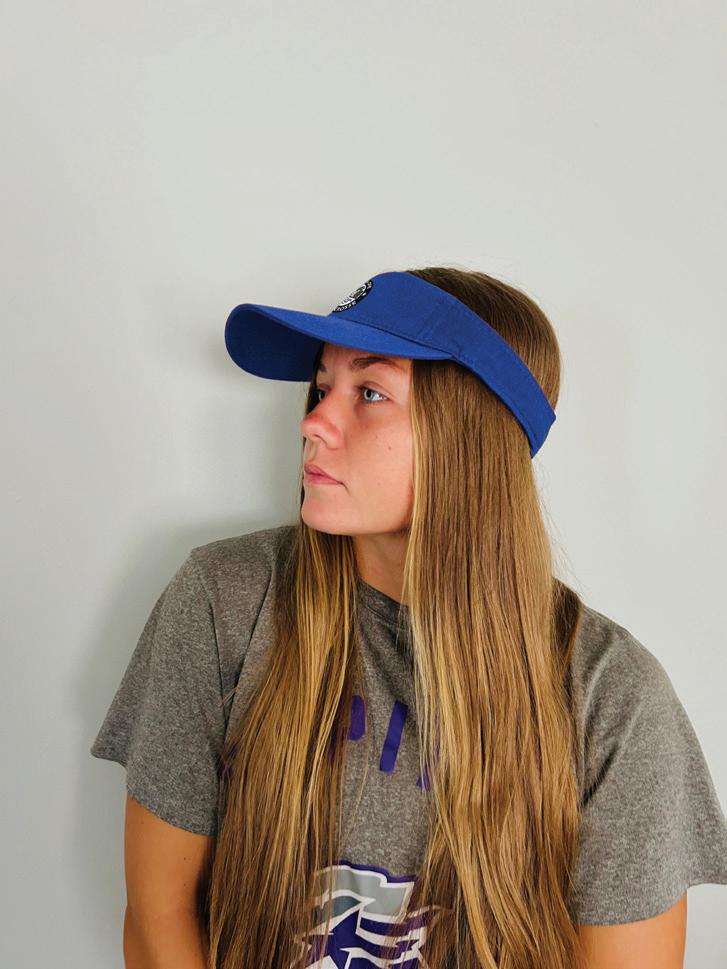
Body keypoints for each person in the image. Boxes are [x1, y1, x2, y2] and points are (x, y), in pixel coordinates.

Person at [90, 266, 727, 969]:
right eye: (322, 387)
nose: (312, 422)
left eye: (369, 392)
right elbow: (158, 920)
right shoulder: (227, 601)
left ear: (470, 435)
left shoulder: (612, 698)